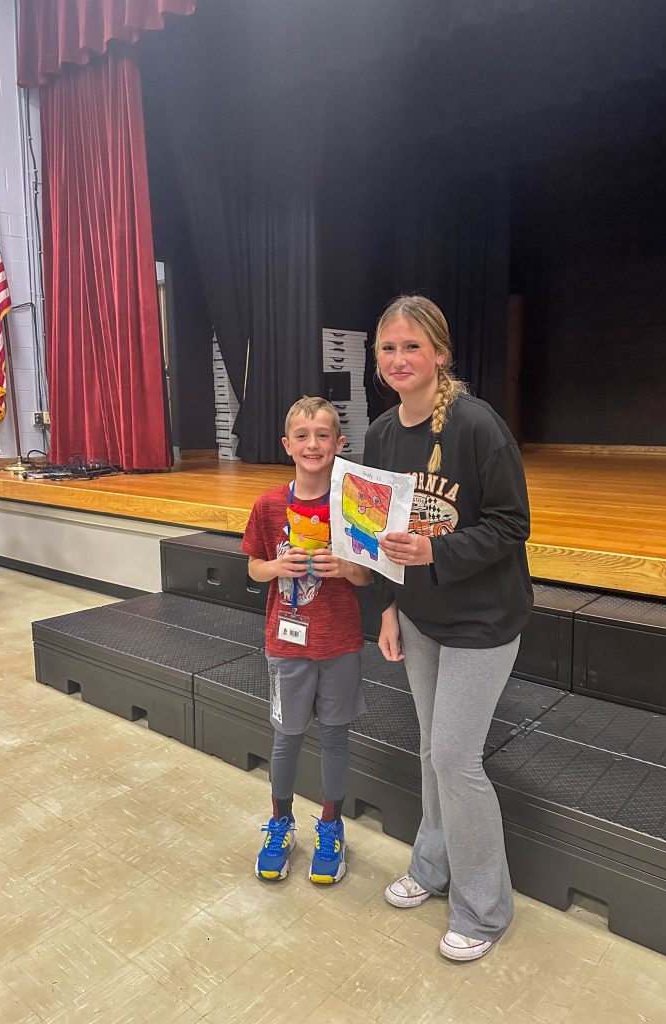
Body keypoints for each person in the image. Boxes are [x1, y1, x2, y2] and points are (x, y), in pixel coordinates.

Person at [363, 295, 533, 961]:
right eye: (388, 349)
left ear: (440, 353)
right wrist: (387, 605)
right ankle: (433, 867)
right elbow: (376, 533)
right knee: (433, 750)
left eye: (412, 347)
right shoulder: (379, 434)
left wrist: (438, 551)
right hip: (420, 617)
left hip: (484, 620)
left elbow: (512, 525)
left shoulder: (475, 425)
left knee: (456, 759)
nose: (400, 359)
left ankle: (485, 909)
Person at [241, 395, 372, 884]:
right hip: (287, 645)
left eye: (323, 436)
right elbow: (254, 568)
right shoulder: (269, 505)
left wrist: (349, 568)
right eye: (302, 436)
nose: (312, 444)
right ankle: (280, 823)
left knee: (335, 738)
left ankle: (332, 827)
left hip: (339, 643)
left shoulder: (352, 507)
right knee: (286, 739)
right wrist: (277, 567)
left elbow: (368, 579)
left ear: (340, 444)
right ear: (287, 445)